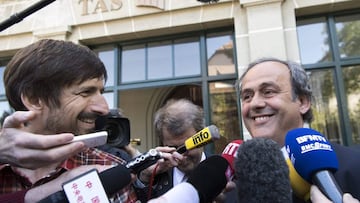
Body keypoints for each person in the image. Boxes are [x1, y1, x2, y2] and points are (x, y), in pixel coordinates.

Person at [0, 39, 138, 203]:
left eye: (101, 92)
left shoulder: (108, 169)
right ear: (34, 99)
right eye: (86, 92)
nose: (104, 108)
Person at [238, 57, 360, 202]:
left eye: (268, 91)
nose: (255, 103)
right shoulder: (232, 187)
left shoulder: (354, 166)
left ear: (302, 102)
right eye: (247, 96)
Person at [133, 98, 206, 202]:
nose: (181, 156)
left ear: (202, 136)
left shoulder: (224, 173)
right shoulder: (152, 178)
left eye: (188, 146)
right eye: (174, 148)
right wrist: (145, 179)